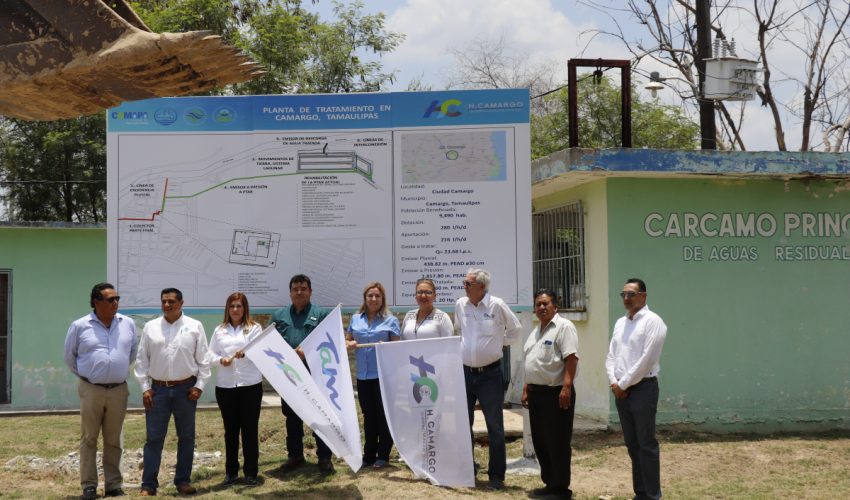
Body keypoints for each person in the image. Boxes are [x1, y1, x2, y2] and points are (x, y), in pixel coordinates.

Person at [64, 283, 138, 500]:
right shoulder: (80, 326)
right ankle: (89, 486)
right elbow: (70, 357)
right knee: (89, 438)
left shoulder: (128, 324)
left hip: (118, 390)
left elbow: (132, 353)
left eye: (117, 299)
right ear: (96, 302)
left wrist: (115, 370)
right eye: (110, 299)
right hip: (91, 389)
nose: (116, 303)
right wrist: (89, 376)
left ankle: (114, 485)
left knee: (114, 439)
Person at [135, 288, 211, 496]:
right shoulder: (151, 327)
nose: (167, 305)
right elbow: (142, 360)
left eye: (171, 302)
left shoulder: (194, 326)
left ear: (181, 303)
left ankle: (183, 481)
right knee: (154, 438)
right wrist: (145, 388)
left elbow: (203, 360)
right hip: (157, 390)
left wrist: (199, 386)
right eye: (164, 301)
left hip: (186, 390)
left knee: (186, 436)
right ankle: (148, 484)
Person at [454, 268, 522, 490]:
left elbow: (515, 330)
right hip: (465, 373)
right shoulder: (460, 305)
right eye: (464, 283)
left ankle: (496, 476)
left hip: (490, 375)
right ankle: (466, 469)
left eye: (468, 283)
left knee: (494, 426)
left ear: (481, 287)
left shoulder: (497, 305)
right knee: (463, 423)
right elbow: (459, 331)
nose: (464, 287)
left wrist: (498, 343)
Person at [605, 278, 668, 500]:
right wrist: (614, 382)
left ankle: (652, 495)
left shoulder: (653, 322)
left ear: (643, 296)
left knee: (646, 444)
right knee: (632, 444)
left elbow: (646, 360)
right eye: (623, 294)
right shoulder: (620, 323)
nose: (626, 298)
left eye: (631, 294)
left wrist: (622, 384)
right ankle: (640, 493)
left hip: (642, 389)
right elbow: (611, 356)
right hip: (620, 390)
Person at [271, 274, 334, 473]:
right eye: (295, 289)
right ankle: (295, 455)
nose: (299, 292)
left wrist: (307, 350)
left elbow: (328, 341)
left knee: (320, 415)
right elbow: (271, 342)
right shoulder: (279, 315)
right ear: (290, 292)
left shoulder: (322, 314)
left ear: (310, 291)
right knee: (292, 416)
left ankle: (324, 457)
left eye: (303, 288)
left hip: (315, 374)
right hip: (289, 375)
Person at [522, 289, 579, 499]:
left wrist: (566, 387)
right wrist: (526, 388)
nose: (541, 307)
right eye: (538, 304)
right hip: (536, 394)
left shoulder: (564, 327)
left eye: (545, 303)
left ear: (555, 306)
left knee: (557, 442)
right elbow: (532, 362)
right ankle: (549, 483)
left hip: (556, 393)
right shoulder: (536, 331)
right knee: (541, 442)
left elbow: (571, 358)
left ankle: (561, 489)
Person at [208, 292, 264, 487]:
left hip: (250, 385)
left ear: (245, 308)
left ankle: (251, 473)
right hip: (226, 386)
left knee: (249, 430)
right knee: (230, 431)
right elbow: (210, 354)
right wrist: (220, 360)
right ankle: (231, 472)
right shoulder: (219, 330)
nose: (235, 309)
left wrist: (246, 354)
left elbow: (260, 350)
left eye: (239, 306)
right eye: (232, 306)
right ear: (227, 309)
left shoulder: (254, 328)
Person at [345, 281, 400, 468]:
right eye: (370, 296)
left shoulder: (390, 320)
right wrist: (349, 343)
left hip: (384, 376)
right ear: (365, 298)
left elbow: (398, 347)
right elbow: (346, 341)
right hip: (363, 376)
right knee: (368, 416)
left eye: (377, 296)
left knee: (383, 415)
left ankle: (383, 455)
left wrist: (388, 347)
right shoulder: (355, 319)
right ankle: (368, 455)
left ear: (382, 299)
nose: (374, 299)